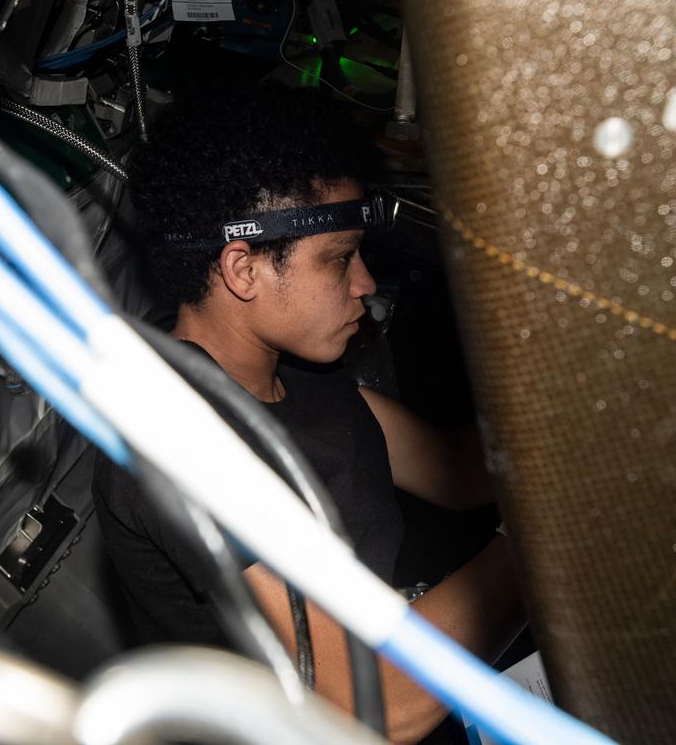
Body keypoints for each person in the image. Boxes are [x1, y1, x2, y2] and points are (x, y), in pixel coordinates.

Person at [92, 85, 522, 744]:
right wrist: (536, 553)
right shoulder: (177, 434)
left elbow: (460, 472)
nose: (366, 283)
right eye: (340, 259)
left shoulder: (295, 369)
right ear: (245, 269)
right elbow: (366, 701)